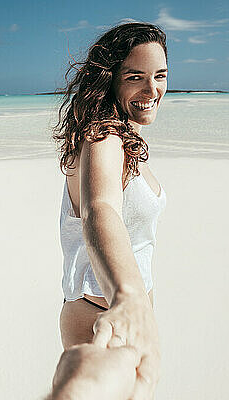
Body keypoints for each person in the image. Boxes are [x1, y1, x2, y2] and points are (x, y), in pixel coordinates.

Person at [50, 21, 168, 399]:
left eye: (160, 76)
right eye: (136, 76)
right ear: (110, 78)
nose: (152, 90)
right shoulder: (103, 136)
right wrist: (130, 297)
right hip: (105, 320)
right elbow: (100, 210)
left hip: (122, 318)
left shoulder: (118, 135)